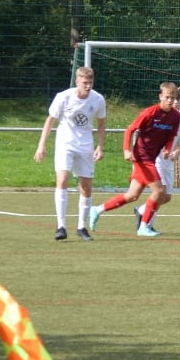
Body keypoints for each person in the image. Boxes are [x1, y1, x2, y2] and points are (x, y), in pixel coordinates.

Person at [89, 83, 180, 237]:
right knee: (159, 191)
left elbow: (171, 136)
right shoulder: (150, 112)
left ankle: (97, 209)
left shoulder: (176, 116)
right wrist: (126, 150)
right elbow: (130, 129)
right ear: (160, 97)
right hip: (142, 157)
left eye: (173, 98)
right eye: (167, 97)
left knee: (132, 195)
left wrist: (167, 148)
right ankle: (143, 227)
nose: (171, 101)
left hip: (151, 157)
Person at [34, 67, 106, 241]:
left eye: (90, 82)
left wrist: (100, 146)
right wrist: (41, 146)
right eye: (84, 83)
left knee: (86, 186)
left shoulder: (98, 99)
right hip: (65, 144)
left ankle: (82, 227)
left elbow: (102, 123)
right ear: (77, 82)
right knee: (63, 179)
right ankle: (61, 226)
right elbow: (50, 120)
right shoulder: (63, 97)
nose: (88, 86)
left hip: (86, 145)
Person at [140, 94, 180, 232]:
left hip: (169, 162)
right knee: (160, 193)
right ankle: (147, 225)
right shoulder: (161, 115)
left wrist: (177, 152)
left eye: (177, 100)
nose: (174, 102)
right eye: (172, 99)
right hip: (156, 158)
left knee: (166, 197)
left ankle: (142, 210)